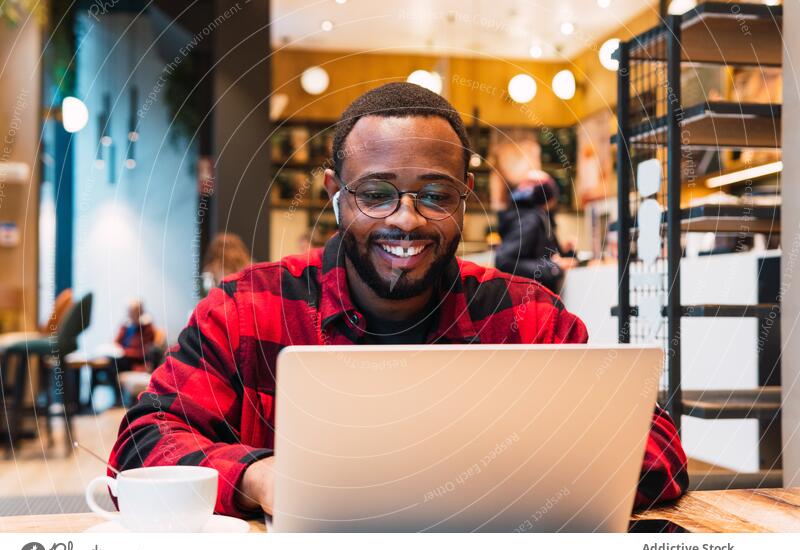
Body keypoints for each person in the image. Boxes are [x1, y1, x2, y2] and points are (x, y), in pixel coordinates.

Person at [109, 82, 688, 519]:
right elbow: (143, 439)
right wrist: (258, 476)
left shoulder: (526, 318)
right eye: (377, 194)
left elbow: (659, 446)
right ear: (337, 196)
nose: (406, 220)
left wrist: (497, 480)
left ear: (465, 199)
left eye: (435, 194)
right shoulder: (249, 307)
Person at [494, 169, 577, 294]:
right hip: (527, 302)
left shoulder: (538, 217)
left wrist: (567, 253)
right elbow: (505, 262)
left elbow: (545, 255)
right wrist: (553, 268)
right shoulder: (529, 219)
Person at [113, 299, 156, 372]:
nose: (130, 314)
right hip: (122, 356)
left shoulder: (146, 327)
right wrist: (118, 349)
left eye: (133, 311)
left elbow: (144, 350)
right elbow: (116, 341)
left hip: (136, 361)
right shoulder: (125, 325)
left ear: (141, 311)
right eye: (129, 311)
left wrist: (125, 352)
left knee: (113, 364)